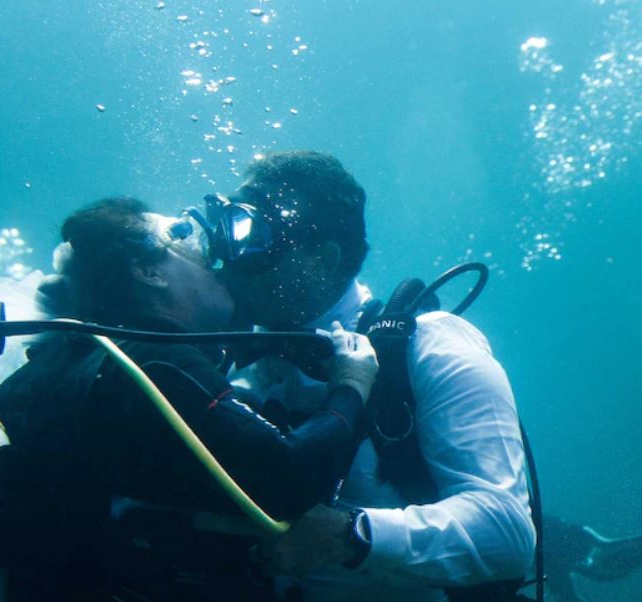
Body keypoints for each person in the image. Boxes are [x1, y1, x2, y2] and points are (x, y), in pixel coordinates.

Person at [0, 196, 380, 600]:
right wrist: (351, 384)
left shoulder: (70, 359)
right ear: (149, 272)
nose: (215, 264)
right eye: (188, 248)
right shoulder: (158, 364)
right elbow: (291, 481)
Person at [209, 151, 537, 601]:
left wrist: (352, 535)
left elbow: (507, 532)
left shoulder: (429, 348)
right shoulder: (225, 359)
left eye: (251, 236)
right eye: (223, 227)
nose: (227, 257)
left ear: (321, 260)